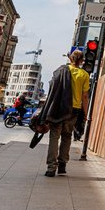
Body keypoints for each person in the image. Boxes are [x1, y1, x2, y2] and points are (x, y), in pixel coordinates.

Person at [40, 49, 90, 177]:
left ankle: (51, 168)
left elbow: (52, 90)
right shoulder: (84, 74)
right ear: (82, 60)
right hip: (74, 110)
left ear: (70, 58)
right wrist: (86, 113)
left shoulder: (60, 71)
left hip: (58, 108)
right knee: (67, 136)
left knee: (54, 137)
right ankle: (62, 165)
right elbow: (85, 96)